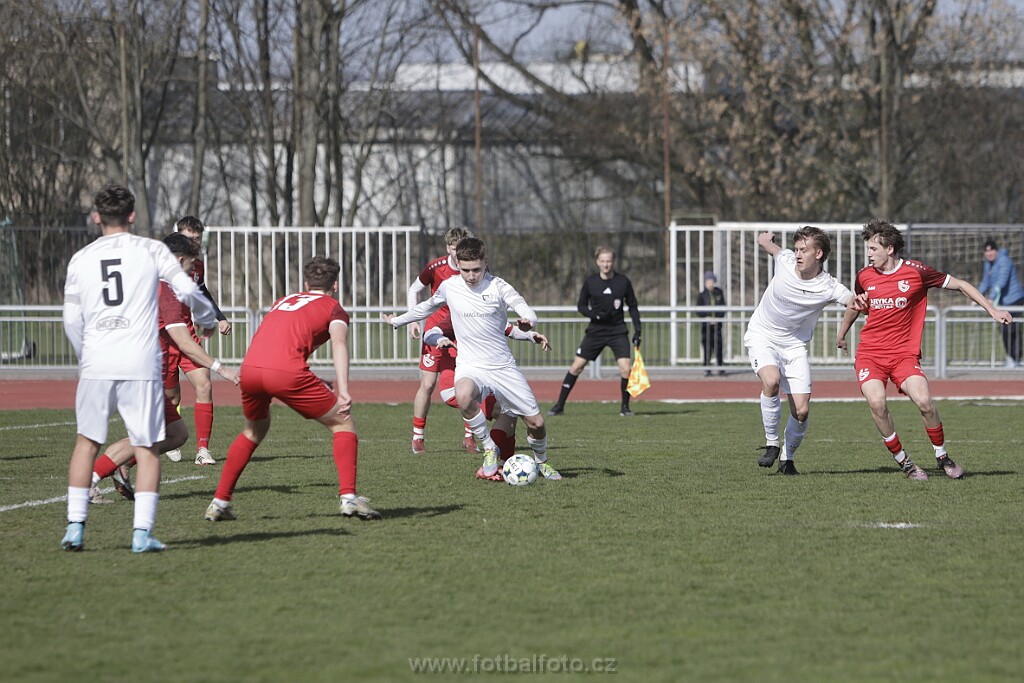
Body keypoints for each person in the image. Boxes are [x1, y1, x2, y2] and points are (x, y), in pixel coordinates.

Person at [60, 184, 218, 553]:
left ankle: (75, 528)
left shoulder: (80, 258)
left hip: (97, 360)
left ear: (96, 217)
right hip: (140, 360)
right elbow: (187, 290)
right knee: (146, 447)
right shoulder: (151, 249)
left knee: (86, 442)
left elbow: (70, 319)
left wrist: (86, 354)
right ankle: (141, 534)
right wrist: (208, 318)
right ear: (132, 216)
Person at [204, 256, 381, 522]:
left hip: (250, 369)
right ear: (335, 285)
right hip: (285, 373)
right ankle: (349, 498)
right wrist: (343, 389)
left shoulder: (283, 300)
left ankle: (219, 502)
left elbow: (278, 341)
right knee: (342, 422)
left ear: (306, 284)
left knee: (253, 430)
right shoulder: (334, 307)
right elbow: (339, 343)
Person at [837, 220, 1013, 480]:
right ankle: (905, 461)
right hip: (870, 354)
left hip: (903, 355)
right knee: (877, 403)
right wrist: (841, 334)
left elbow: (961, 285)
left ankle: (942, 456)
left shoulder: (917, 272)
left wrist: (992, 310)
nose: (869, 253)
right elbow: (858, 304)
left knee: (925, 402)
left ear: (890, 248)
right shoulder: (864, 276)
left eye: (873, 248)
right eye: (868, 249)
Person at [382, 237, 561, 481]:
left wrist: (529, 322)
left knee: (536, 423)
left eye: (476, 269)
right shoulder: (450, 286)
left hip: (502, 366)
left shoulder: (498, 286)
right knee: (463, 395)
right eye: (465, 270)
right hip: (470, 365)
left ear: (485, 263)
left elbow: (522, 306)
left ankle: (542, 462)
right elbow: (426, 307)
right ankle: (488, 448)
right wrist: (397, 321)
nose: (471, 276)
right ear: (458, 264)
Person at [88, 233, 239, 504]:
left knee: (177, 433)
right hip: (139, 374)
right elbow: (184, 342)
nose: (192, 272)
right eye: (190, 265)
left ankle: (122, 466)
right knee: (145, 436)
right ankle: (87, 482)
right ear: (178, 261)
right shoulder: (165, 290)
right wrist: (221, 368)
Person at [744, 228, 856, 475]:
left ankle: (787, 459)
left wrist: (843, 331)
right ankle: (772, 443)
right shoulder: (785, 261)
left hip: (794, 345)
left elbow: (852, 302)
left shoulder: (828, 285)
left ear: (819, 253)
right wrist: (764, 240)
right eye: (796, 249)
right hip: (762, 335)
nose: (797, 254)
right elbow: (774, 249)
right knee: (771, 381)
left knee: (802, 411)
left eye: (804, 250)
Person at [422, 315, 552, 480]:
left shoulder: (484, 311)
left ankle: (501, 464)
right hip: (460, 384)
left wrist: (531, 336)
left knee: (509, 410)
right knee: (506, 410)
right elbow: (429, 331)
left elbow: (508, 329)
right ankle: (492, 460)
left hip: (478, 381)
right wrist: (438, 338)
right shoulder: (458, 313)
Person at [163, 216, 232, 465]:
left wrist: (218, 318)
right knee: (172, 396)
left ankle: (203, 450)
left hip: (187, 334)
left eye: (198, 239)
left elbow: (201, 292)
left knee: (204, 384)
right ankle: (170, 437)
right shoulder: (161, 267)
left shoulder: (195, 266)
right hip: (164, 339)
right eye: (190, 238)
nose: (195, 243)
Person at [405, 226, 477, 454]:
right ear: (448, 248)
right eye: (454, 248)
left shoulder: (473, 268)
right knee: (427, 384)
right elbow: (413, 289)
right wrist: (413, 320)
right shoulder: (435, 267)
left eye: (461, 248)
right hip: (435, 332)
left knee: (466, 383)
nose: (457, 253)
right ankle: (418, 437)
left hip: (461, 332)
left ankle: (470, 437)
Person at [547, 246, 642, 417]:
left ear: (613, 262)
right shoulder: (591, 282)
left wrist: (638, 330)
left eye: (609, 261)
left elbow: (633, 306)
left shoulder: (623, 282)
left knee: (626, 368)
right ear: (597, 262)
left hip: (617, 331)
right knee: (576, 367)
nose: (606, 264)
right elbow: (581, 306)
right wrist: (595, 315)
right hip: (595, 332)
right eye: (603, 261)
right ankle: (559, 406)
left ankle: (625, 407)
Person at [978, 239, 1023, 368]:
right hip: (1004, 303)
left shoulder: (1004, 261)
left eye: (991, 250)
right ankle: (1012, 357)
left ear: (996, 250)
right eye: (986, 251)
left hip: (1015, 300)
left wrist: (991, 298)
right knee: (1005, 329)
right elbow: (985, 282)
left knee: (1010, 328)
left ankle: (1015, 358)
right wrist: (976, 296)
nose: (989, 253)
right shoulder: (988, 264)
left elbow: (1001, 282)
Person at [697, 271, 726, 376]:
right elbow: (698, 310)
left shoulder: (719, 293)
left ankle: (720, 368)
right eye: (708, 281)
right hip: (706, 327)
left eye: (712, 281)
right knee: (707, 348)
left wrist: (717, 318)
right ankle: (707, 368)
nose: (710, 284)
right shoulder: (702, 295)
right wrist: (706, 318)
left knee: (718, 347)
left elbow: (723, 308)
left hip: (717, 326)